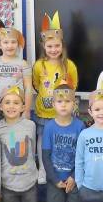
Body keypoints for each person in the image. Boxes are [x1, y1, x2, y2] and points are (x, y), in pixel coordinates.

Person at [33, 11, 78, 184]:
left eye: (56, 46)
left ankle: (64, 168)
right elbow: (36, 84)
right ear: (44, 46)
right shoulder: (39, 65)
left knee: (62, 143)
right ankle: (43, 171)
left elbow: (73, 86)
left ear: (62, 46)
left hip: (63, 114)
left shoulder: (69, 65)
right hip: (44, 113)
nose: (53, 50)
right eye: (49, 46)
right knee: (42, 141)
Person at [0, 85, 38, 202]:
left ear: (23, 107)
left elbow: (32, 151)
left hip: (29, 183)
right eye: (7, 102)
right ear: (0, 106)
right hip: (8, 185)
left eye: (16, 103)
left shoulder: (30, 125)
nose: (11, 106)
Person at [42, 83, 85, 202]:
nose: (63, 105)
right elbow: (46, 156)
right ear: (53, 104)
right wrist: (55, 180)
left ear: (74, 103)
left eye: (67, 101)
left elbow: (83, 156)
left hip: (74, 180)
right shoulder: (49, 127)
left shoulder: (80, 126)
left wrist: (74, 177)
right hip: (54, 180)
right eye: (59, 101)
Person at [0, 27, 31, 126]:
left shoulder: (23, 64)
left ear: (18, 44)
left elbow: (28, 88)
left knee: (14, 135)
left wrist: (26, 110)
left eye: (13, 42)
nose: (9, 46)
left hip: (16, 108)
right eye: (6, 42)